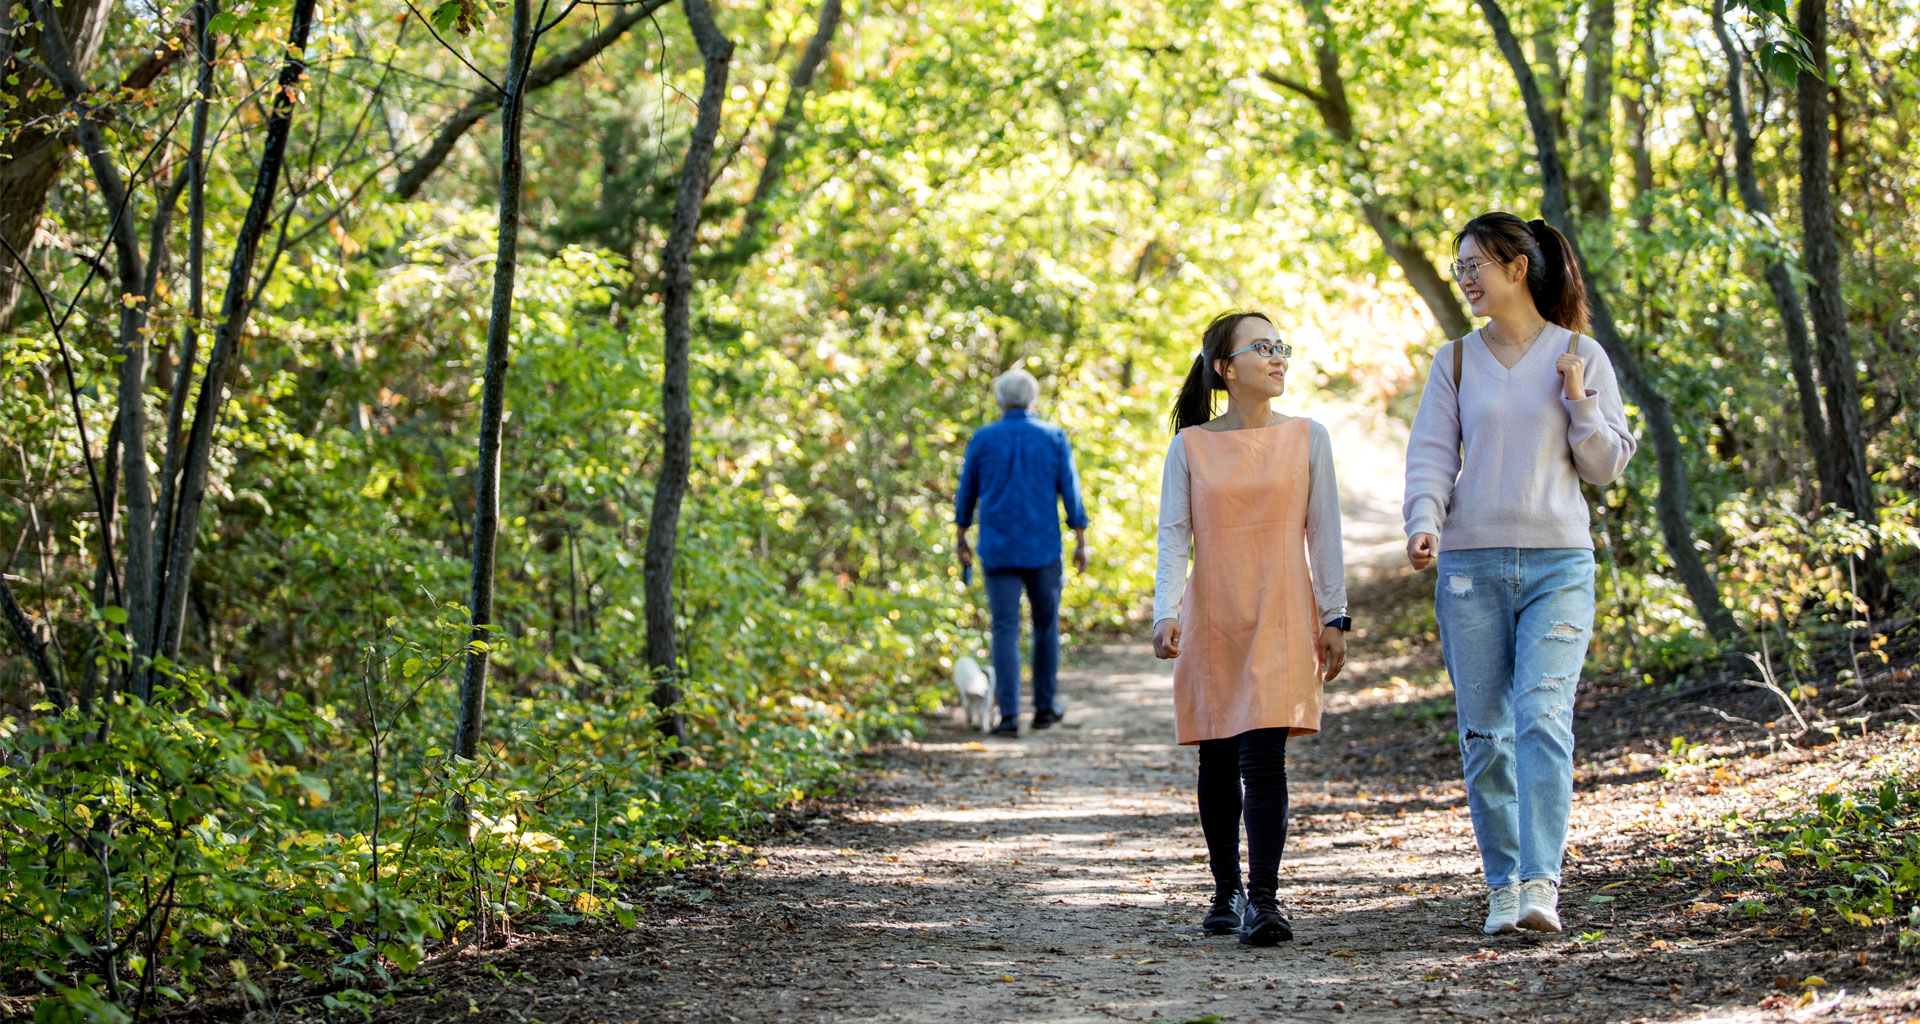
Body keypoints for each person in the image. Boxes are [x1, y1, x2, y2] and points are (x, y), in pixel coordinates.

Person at [1402, 212, 1636, 936]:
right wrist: (1424, 520)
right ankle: (1502, 885)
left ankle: (1540, 884)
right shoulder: (1458, 361)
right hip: (1469, 566)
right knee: (1485, 733)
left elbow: (1605, 468)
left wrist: (1579, 399)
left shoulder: (1580, 353)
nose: (1465, 277)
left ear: (1517, 268)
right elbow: (1431, 453)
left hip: (1558, 565)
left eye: (1476, 264)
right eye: (1459, 266)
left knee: (1540, 718)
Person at [1153, 311, 1348, 947]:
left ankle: (1264, 900)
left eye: (1280, 346)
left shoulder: (1308, 436)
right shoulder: (1190, 447)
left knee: (1264, 758)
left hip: (1283, 611)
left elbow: (1325, 531)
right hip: (1213, 612)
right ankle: (1226, 892)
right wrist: (1166, 610)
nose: (1277, 356)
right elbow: (1172, 535)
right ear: (1225, 368)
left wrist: (1334, 614)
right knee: (1217, 753)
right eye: (1261, 347)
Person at [955, 368, 1090, 737]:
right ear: (1033, 400)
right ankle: (1045, 708)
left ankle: (1009, 716)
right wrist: (1081, 541)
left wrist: (961, 535)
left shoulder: (983, 439)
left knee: (1004, 629)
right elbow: (1071, 492)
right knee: (1045, 626)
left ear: (1000, 401)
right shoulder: (1053, 436)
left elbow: (966, 491)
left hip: (998, 549)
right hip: (1043, 548)